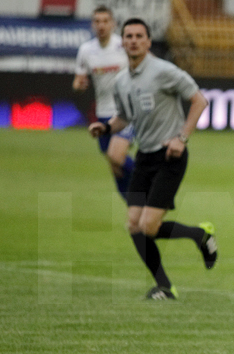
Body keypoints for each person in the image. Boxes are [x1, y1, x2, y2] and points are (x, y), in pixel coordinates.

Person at [89, 18, 217, 300]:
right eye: (129, 36)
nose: (133, 40)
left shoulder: (164, 71)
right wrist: (107, 127)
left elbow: (199, 101)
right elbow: (124, 117)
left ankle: (201, 236)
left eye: (139, 36)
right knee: (134, 226)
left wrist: (181, 138)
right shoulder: (121, 81)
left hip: (170, 157)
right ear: (122, 42)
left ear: (148, 42)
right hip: (144, 157)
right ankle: (165, 286)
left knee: (148, 226)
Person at [73, 6, 136, 200]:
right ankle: (134, 206)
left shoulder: (124, 46)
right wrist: (79, 84)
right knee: (115, 166)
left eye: (105, 21)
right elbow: (78, 80)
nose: (101, 25)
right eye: (97, 21)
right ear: (92, 25)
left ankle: (150, 181)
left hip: (126, 111)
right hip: (103, 112)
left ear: (113, 24)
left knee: (116, 156)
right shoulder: (86, 50)